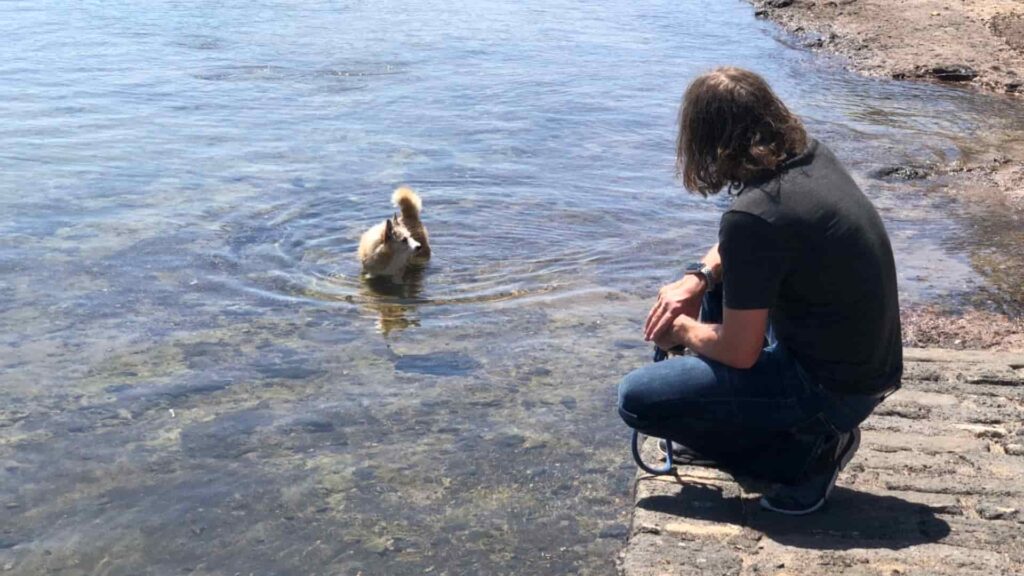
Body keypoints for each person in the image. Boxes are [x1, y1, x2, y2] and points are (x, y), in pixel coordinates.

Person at [617, 67, 902, 515]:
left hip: (830, 392)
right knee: (718, 291)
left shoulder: (752, 217)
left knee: (636, 399)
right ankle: (752, 428)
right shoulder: (809, 158)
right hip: (866, 369)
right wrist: (699, 277)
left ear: (705, 140)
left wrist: (681, 330)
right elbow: (745, 244)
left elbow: (739, 352)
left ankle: (805, 456)